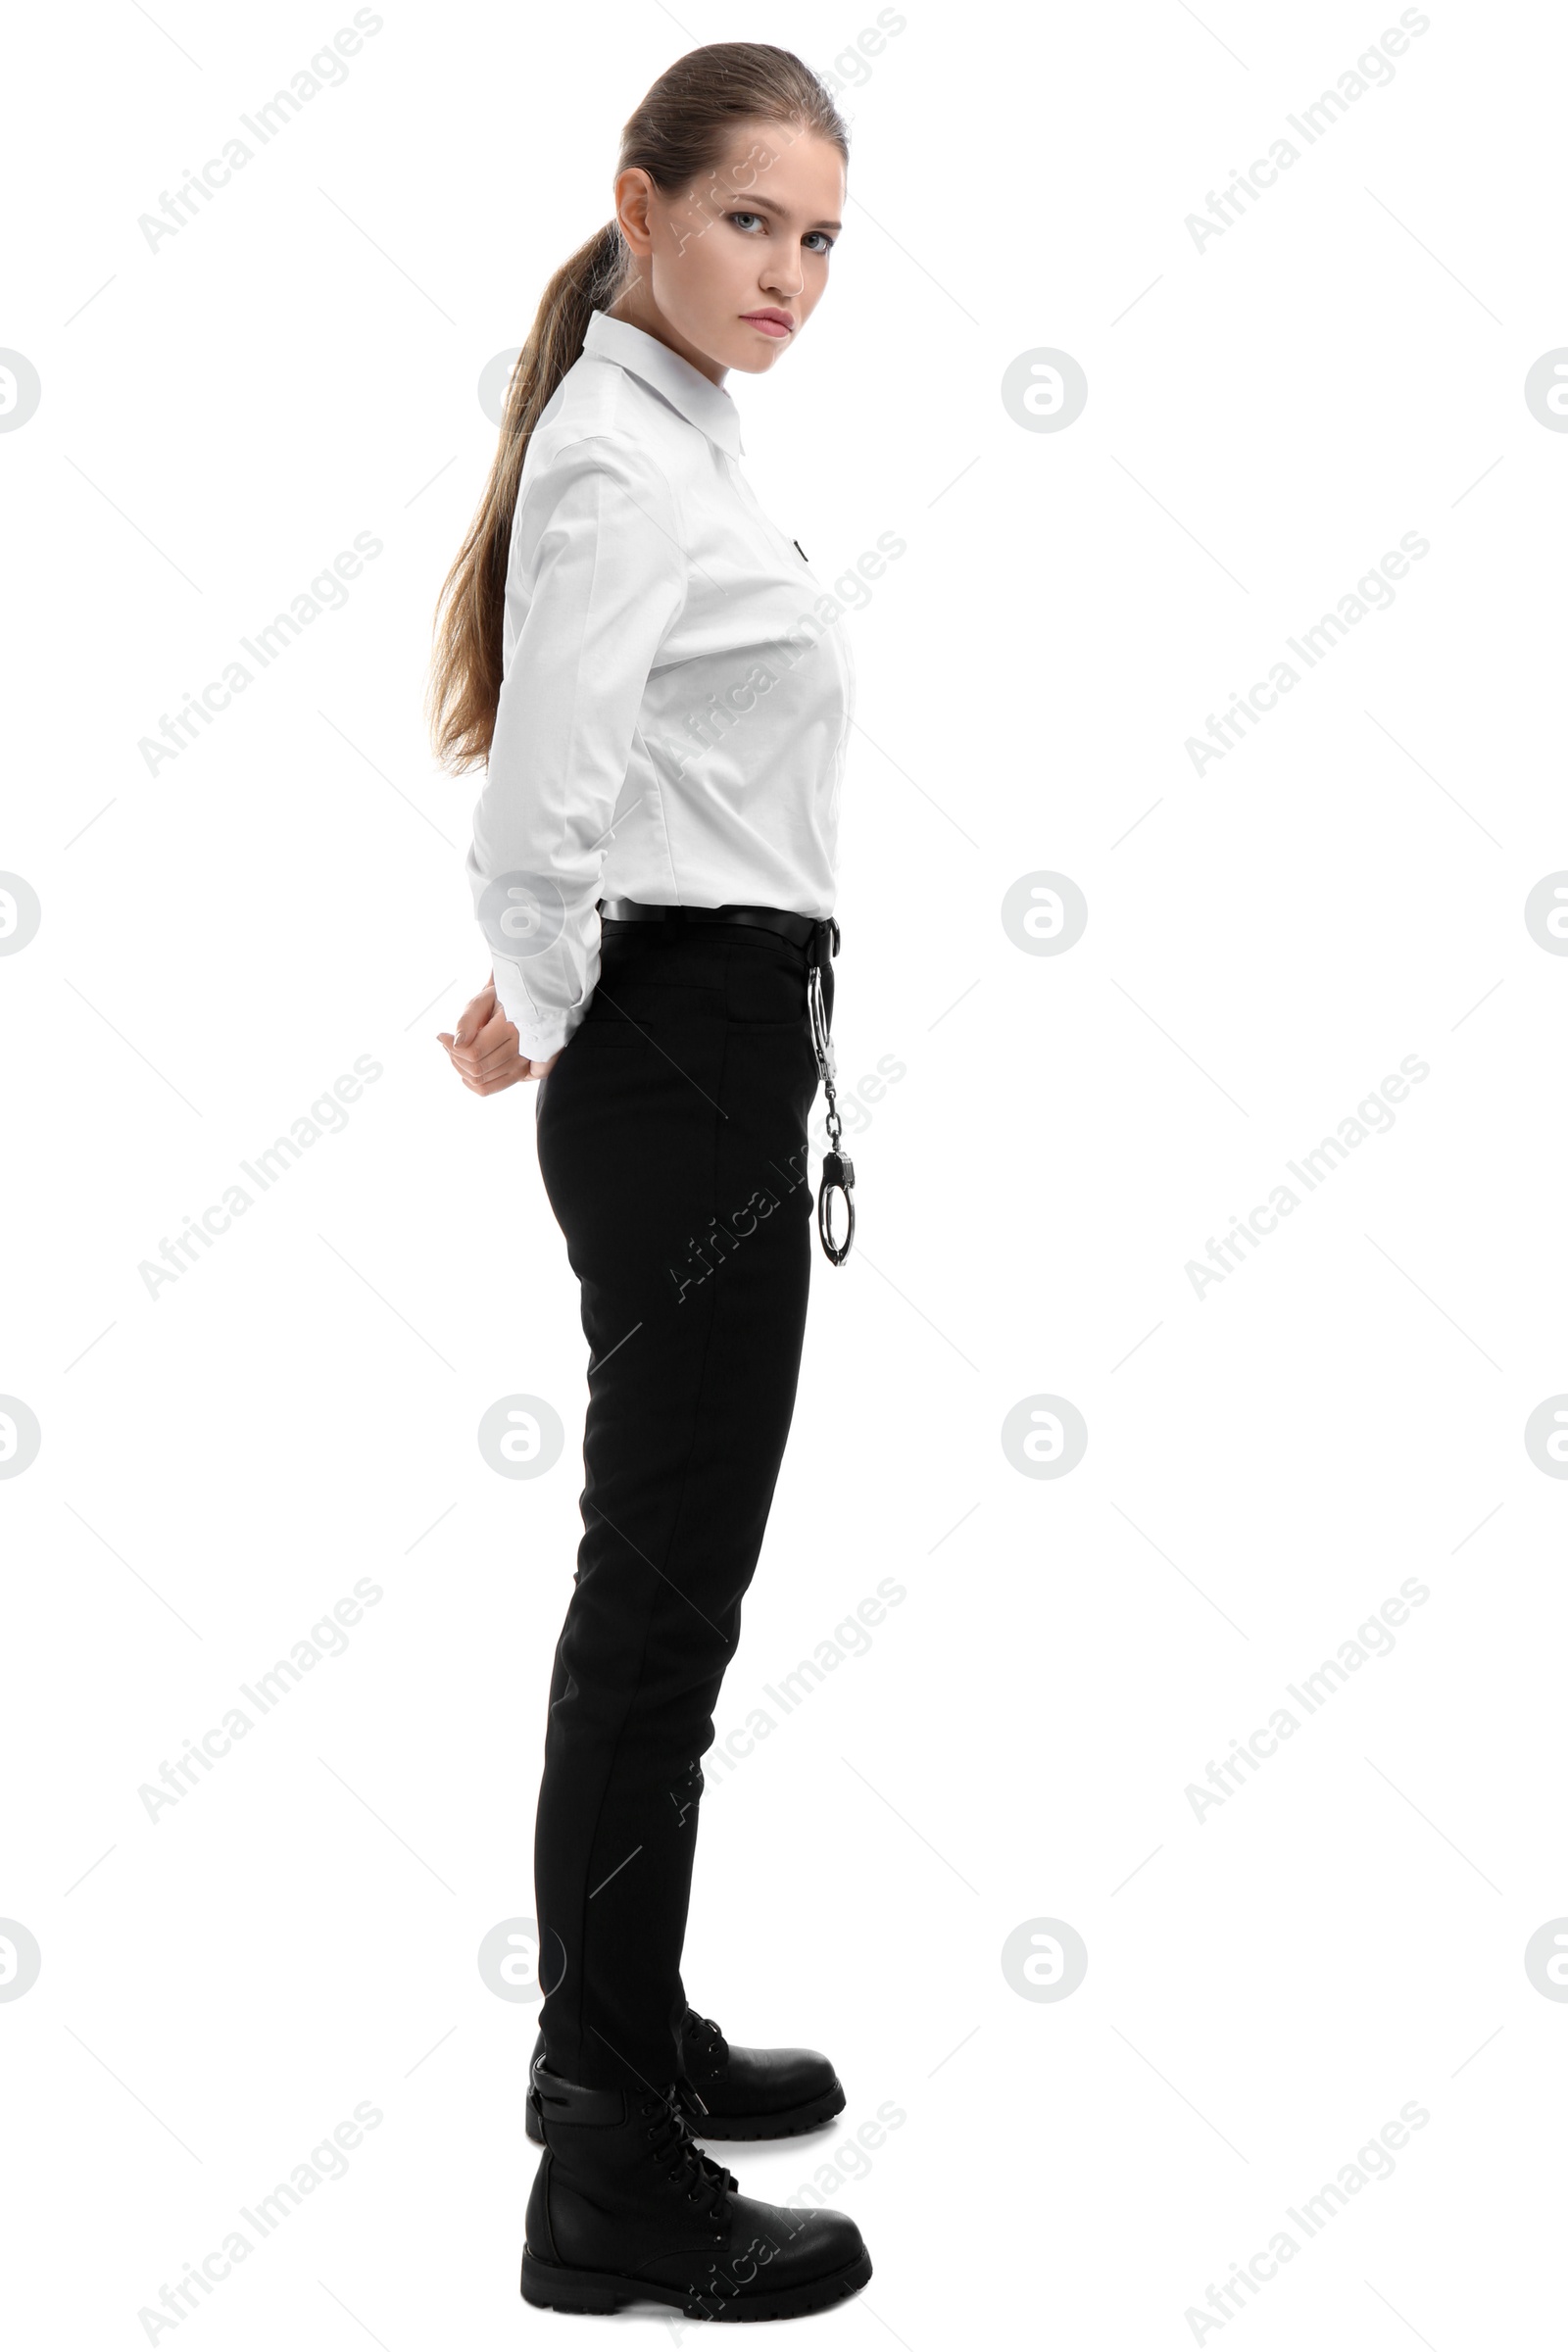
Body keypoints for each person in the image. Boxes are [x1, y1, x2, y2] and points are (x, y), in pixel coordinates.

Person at [425, 41, 870, 2327]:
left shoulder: (677, 437)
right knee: (658, 1614)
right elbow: (538, 806)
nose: (785, 271)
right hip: (686, 1068)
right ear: (639, 205)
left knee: (668, 1603)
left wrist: (549, 988)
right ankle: (601, 2148)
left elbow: (629, 786)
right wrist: (561, 986)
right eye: (746, 224)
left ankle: (628, 2033)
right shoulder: (618, 463)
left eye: (815, 238)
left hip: (703, 1046)